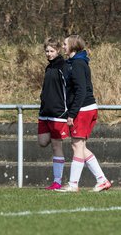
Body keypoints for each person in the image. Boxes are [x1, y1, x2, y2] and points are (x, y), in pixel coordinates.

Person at [57, 35, 111, 192]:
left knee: (76, 145)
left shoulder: (79, 64)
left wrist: (72, 114)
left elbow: (81, 91)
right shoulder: (73, 63)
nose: (63, 46)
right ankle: (102, 180)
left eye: (65, 44)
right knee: (80, 146)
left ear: (73, 46)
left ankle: (73, 184)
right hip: (83, 108)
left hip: (84, 109)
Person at [38, 37, 69, 190]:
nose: (48, 54)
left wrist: (67, 110)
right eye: (47, 51)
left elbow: (69, 90)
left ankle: (57, 181)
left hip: (58, 113)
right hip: (45, 113)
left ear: (58, 50)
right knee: (43, 142)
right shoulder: (48, 67)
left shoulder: (63, 66)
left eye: (51, 51)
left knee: (56, 145)